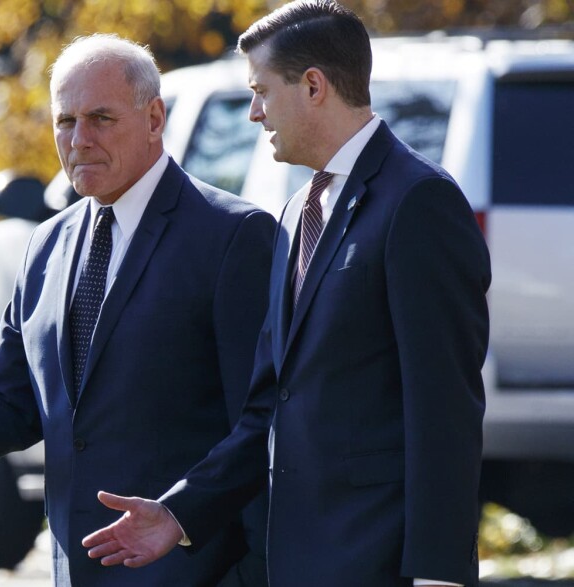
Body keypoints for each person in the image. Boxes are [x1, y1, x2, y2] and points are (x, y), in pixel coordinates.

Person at [0, 34, 276, 586]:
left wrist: (182, 515)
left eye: (100, 118)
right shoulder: (47, 244)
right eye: (65, 122)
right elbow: (13, 402)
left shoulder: (234, 235)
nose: (80, 139)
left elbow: (263, 422)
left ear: (154, 117)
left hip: (199, 571)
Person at [81, 2, 492, 586]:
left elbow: (445, 408)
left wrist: (439, 574)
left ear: (315, 86)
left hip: (383, 564)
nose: (253, 112)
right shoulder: (299, 211)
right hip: (300, 562)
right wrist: (179, 512)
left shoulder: (420, 202)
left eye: (262, 91)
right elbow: (269, 406)